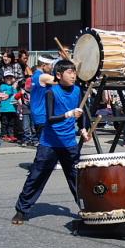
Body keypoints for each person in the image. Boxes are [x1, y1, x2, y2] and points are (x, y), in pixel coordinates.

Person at [13, 60, 89, 224]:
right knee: (37, 176)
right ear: (59, 75)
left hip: (69, 143)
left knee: (77, 179)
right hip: (49, 142)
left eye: (74, 72)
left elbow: (82, 114)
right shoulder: (51, 92)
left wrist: (83, 129)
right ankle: (21, 210)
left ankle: (87, 209)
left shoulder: (78, 90)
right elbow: (50, 119)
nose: (73, 75)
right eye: (69, 72)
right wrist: (69, 115)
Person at [31, 54, 58, 137]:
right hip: (42, 114)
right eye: (51, 65)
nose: (52, 68)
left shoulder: (35, 75)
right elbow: (61, 81)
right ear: (43, 65)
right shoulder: (42, 77)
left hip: (39, 113)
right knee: (45, 145)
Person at [0, 71, 18, 142]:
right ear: (4, 79)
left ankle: (11, 135)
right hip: (4, 109)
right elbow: (7, 93)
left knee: (11, 123)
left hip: (12, 109)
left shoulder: (13, 88)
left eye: (10, 78)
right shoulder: (3, 86)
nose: (9, 79)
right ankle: (4, 135)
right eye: (7, 78)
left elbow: (16, 95)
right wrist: (13, 88)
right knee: (4, 123)